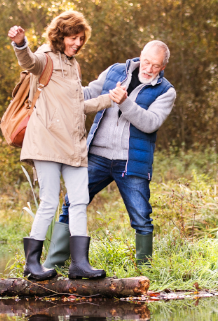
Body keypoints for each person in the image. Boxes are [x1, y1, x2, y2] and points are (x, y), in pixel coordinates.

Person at [8, 11, 129, 281]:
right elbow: (27, 61)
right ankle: (32, 264)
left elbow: (78, 107)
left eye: (81, 40)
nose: (78, 44)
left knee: (80, 200)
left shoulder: (74, 66)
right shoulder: (45, 59)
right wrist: (20, 43)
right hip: (47, 143)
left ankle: (80, 264)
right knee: (50, 201)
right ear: (61, 36)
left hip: (73, 145)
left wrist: (111, 99)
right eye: (74, 38)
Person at [43, 40, 176, 268]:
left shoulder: (166, 91)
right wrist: (61, 87)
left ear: (163, 67)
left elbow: (150, 123)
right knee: (72, 203)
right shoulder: (115, 71)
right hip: (97, 156)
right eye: (146, 61)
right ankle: (54, 264)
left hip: (131, 162)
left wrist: (125, 103)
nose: (148, 68)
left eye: (155, 65)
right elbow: (87, 94)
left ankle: (144, 271)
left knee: (142, 218)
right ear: (140, 55)